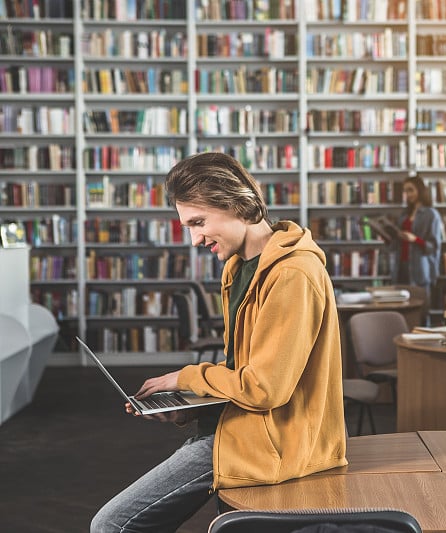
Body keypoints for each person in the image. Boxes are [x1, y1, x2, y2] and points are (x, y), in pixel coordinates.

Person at [90, 152, 348, 532]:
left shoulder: (294, 274)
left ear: (237, 204)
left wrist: (186, 379)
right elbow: (240, 370)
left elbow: (264, 389)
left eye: (199, 222)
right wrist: (192, 408)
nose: (194, 239)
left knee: (111, 526)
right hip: (238, 426)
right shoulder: (237, 267)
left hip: (274, 442)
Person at [389, 176, 442, 304]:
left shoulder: (431, 214)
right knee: (401, 307)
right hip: (401, 267)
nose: (407, 194)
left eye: (411, 190)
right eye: (405, 191)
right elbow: (395, 244)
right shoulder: (404, 214)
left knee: (420, 310)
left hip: (419, 269)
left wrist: (415, 239)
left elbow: (434, 246)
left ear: (420, 190)